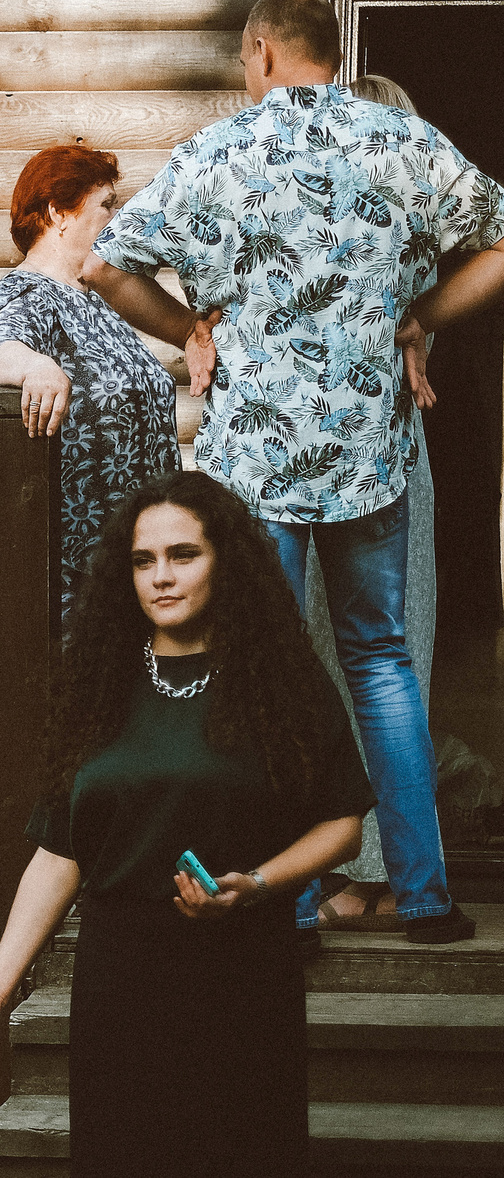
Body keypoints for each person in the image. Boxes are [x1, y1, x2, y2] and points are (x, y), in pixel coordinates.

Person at [83, 0, 496, 945]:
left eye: (243, 57)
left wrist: (190, 328)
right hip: (372, 457)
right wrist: (419, 317)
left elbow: (104, 265)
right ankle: (426, 896)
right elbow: (499, 244)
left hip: (257, 460)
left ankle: (291, 898)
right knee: (382, 661)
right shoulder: (401, 142)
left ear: (262, 50)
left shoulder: (218, 151)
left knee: (266, 665)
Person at [0, 473, 373, 1174]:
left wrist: (255, 882)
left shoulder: (282, 677)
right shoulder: (97, 681)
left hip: (244, 979)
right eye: (143, 560)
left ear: (226, 559)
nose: (161, 575)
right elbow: (60, 853)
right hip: (121, 985)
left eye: (183, 554)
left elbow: (343, 822)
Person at [310, 74, 441, 924]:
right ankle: (380, 874)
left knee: (359, 652)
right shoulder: (405, 229)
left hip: (351, 454)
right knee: (383, 655)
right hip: (381, 454)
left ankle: (356, 873)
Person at [0, 145, 180, 631]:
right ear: (58, 213)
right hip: (77, 573)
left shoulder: (95, 301)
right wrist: (34, 367)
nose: (117, 218)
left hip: (140, 560)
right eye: (107, 205)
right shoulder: (26, 293)